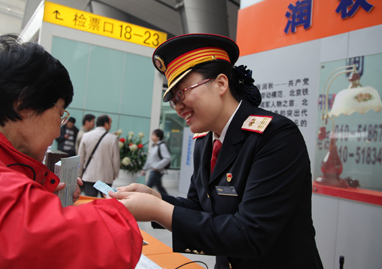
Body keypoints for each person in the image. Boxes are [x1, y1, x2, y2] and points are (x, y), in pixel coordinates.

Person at [110, 33, 323, 269]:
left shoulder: (276, 136)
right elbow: (200, 206)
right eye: (173, 100)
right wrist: (157, 199)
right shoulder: (205, 141)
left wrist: (159, 211)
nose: (179, 107)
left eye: (182, 92)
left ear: (221, 83)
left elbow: (250, 234)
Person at [0, 34, 142, 269]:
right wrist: (124, 212)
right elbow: (59, 244)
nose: (58, 131)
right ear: (24, 103)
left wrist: (39, 197)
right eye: (60, 114)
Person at [78, 114, 120, 197]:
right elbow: (116, 159)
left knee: (90, 202)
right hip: (106, 177)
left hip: (89, 176)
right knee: (106, 202)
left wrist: (79, 174)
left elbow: (80, 157)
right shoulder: (113, 138)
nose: (110, 126)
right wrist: (115, 174)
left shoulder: (86, 136)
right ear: (106, 124)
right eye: (110, 123)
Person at [141, 129, 171, 195]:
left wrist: (156, 166)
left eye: (154, 135)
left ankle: (141, 200)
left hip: (157, 171)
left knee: (147, 187)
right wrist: (144, 169)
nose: (152, 136)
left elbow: (167, 158)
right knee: (159, 187)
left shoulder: (161, 145)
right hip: (154, 170)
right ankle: (169, 200)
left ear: (158, 137)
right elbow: (150, 160)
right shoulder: (154, 146)